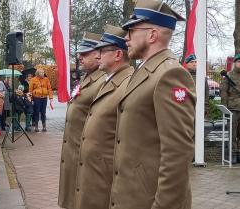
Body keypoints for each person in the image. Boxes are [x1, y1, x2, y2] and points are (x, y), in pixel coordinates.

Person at [109, 1, 196, 209]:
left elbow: (177, 153)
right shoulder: (146, 70)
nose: (126, 38)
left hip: (149, 201)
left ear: (152, 35)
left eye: (131, 30)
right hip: (132, 195)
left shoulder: (170, 75)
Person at [73, 25, 133, 209]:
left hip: (105, 173)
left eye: (101, 51)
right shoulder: (109, 80)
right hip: (93, 170)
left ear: (117, 55)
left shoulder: (127, 83)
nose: (97, 55)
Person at [58, 32, 106, 209]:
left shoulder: (102, 81)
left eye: (85, 54)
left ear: (98, 53)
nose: (80, 57)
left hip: (85, 155)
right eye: (80, 54)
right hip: (74, 152)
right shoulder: (87, 78)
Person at [220, 53, 240, 154]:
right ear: (235, 63)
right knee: (232, 132)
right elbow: (223, 92)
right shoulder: (229, 76)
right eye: (239, 62)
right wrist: (225, 108)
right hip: (233, 108)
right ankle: (232, 153)